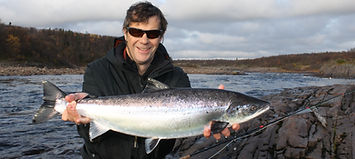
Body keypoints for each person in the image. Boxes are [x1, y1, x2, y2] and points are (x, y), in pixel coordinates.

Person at [62, 2, 239, 159]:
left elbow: (181, 131)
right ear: (125, 33)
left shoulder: (177, 77)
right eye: (136, 32)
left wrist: (213, 121)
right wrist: (78, 115)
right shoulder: (98, 70)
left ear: (161, 37)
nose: (144, 40)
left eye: (152, 33)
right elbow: (90, 135)